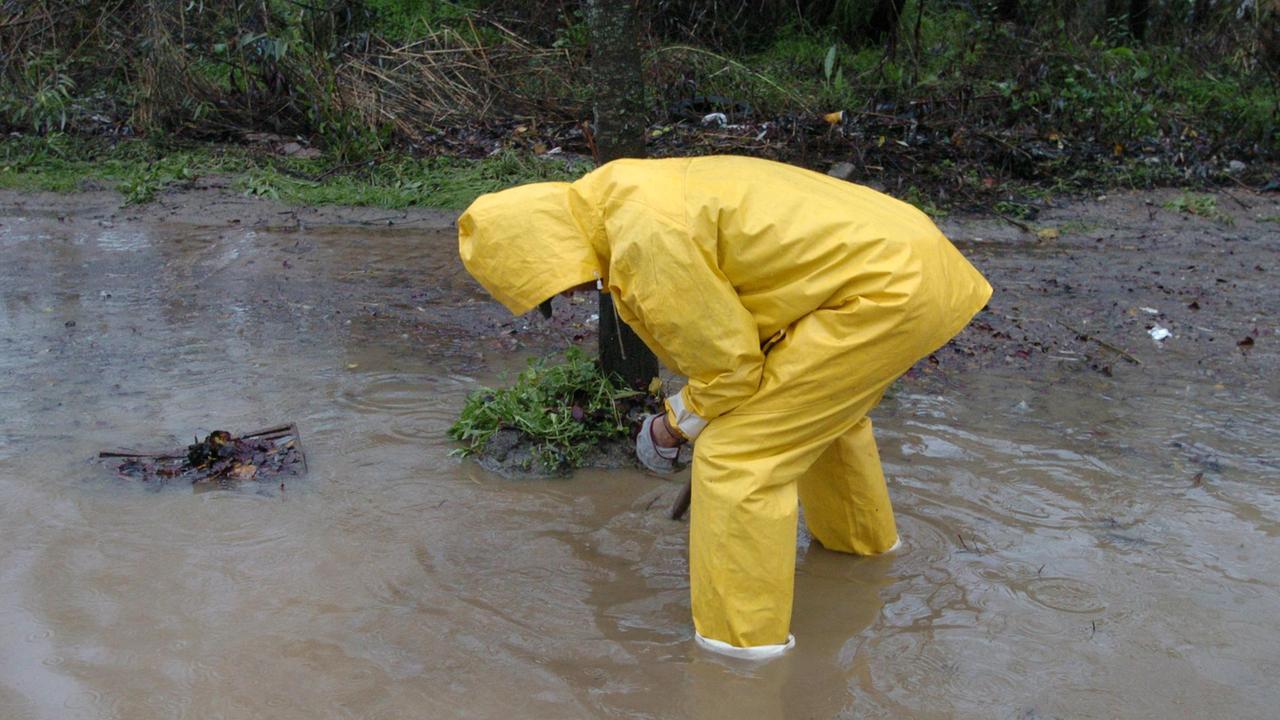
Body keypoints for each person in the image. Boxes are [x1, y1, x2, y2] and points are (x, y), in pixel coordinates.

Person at [457, 155, 992, 659]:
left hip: (881, 291)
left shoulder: (643, 241)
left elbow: (729, 371)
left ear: (547, 247)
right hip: (908, 258)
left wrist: (673, 426)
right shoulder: (616, 197)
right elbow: (746, 311)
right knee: (819, 419)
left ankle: (740, 653)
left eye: (556, 286)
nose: (570, 295)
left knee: (739, 456)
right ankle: (862, 557)